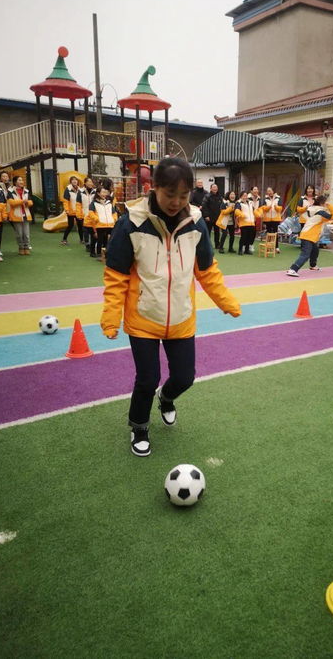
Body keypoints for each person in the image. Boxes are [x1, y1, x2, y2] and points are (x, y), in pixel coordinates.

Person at [100, 157, 241, 457]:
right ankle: (139, 426)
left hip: (181, 317)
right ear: (153, 188)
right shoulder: (131, 222)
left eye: (184, 195)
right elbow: (116, 275)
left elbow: (206, 269)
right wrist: (111, 316)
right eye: (170, 195)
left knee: (184, 377)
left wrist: (225, 301)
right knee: (147, 378)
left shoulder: (196, 222)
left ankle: (167, 398)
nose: (176, 202)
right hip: (143, 319)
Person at [286, 195, 331, 276]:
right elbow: (332, 216)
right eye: (325, 202)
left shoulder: (315, 209)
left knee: (315, 250)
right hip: (308, 235)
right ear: (322, 203)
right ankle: (293, 269)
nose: (327, 204)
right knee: (305, 254)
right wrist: (329, 206)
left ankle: (313, 265)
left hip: (310, 235)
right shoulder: (320, 211)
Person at [87, 185, 118, 260]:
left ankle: (107, 254)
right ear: (98, 193)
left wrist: (114, 219)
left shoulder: (109, 202)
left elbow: (114, 212)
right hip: (100, 225)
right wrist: (97, 219)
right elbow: (91, 213)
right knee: (100, 240)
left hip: (110, 224)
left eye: (105, 192)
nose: (104, 193)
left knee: (108, 240)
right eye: (103, 192)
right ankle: (98, 254)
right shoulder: (94, 203)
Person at [7, 176, 33, 255]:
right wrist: (22, 201)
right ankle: (21, 247)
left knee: (26, 233)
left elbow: (31, 202)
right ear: (15, 182)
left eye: (22, 180)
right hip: (16, 215)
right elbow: (12, 203)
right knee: (19, 234)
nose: (21, 181)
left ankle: (26, 247)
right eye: (19, 180)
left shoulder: (26, 191)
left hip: (26, 215)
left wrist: (28, 202)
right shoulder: (10, 191)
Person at [61, 176, 83, 245]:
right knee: (70, 225)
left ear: (77, 181)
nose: (74, 181)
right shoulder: (68, 189)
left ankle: (82, 240)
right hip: (70, 211)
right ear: (70, 181)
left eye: (76, 180)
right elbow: (65, 201)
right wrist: (66, 209)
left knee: (80, 226)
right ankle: (64, 240)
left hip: (78, 211)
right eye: (73, 180)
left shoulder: (80, 190)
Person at [234, 191, 258, 255]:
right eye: (244, 195)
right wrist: (241, 214)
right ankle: (240, 250)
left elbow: (254, 210)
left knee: (249, 237)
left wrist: (258, 213)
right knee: (243, 237)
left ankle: (246, 250)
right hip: (243, 223)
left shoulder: (250, 203)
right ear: (241, 196)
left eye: (246, 195)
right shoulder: (238, 203)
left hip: (251, 222)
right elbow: (236, 211)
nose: (245, 197)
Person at [77, 176, 96, 255]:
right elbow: (78, 204)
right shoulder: (80, 192)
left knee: (92, 229)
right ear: (85, 183)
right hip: (84, 213)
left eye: (91, 182)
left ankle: (92, 244)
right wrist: (79, 214)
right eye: (88, 182)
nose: (90, 183)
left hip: (93, 213)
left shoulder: (95, 192)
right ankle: (87, 243)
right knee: (85, 229)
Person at [201, 183, 223, 250]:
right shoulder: (207, 196)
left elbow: (222, 206)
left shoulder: (220, 197)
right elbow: (204, 206)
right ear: (210, 188)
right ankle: (207, 245)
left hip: (217, 217)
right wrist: (206, 216)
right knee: (208, 232)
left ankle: (217, 245)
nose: (215, 188)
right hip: (209, 217)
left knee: (217, 232)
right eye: (213, 187)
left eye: (216, 187)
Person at [261, 187, 283, 253]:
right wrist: (268, 207)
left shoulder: (278, 198)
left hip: (275, 219)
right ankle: (268, 247)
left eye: (270, 191)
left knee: (275, 233)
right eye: (268, 191)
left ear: (273, 191)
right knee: (268, 233)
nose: (269, 192)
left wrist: (276, 207)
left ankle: (276, 247)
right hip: (267, 219)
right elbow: (263, 208)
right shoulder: (265, 199)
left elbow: (280, 208)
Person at [247, 186, 262, 253]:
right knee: (248, 232)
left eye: (257, 189)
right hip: (248, 218)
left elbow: (260, 208)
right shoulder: (248, 198)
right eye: (254, 189)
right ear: (251, 191)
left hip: (255, 218)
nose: (256, 191)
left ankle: (251, 244)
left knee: (253, 232)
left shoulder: (259, 199)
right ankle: (245, 245)